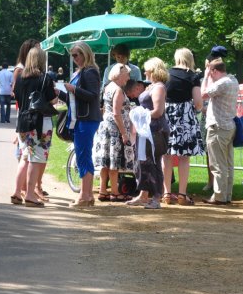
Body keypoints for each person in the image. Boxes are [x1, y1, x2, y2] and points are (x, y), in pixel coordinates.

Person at [12, 45, 57, 207]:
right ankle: (30, 194)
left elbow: (16, 97)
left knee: (25, 157)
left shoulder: (21, 78)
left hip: (23, 121)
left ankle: (17, 192)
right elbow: (52, 101)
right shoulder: (45, 79)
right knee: (36, 159)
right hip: (40, 123)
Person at [60, 41, 101, 207]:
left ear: (85, 54)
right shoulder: (81, 72)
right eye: (72, 55)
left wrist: (73, 89)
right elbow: (73, 100)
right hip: (80, 119)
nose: (74, 58)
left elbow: (93, 95)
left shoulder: (90, 71)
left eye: (77, 55)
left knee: (83, 156)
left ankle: (84, 196)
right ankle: (88, 195)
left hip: (86, 120)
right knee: (83, 156)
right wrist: (61, 93)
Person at [162, 47, 204, 206]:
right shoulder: (193, 76)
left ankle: (166, 193)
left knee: (166, 156)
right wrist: (195, 109)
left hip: (167, 116)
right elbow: (198, 102)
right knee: (184, 157)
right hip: (185, 117)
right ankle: (182, 194)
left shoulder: (166, 74)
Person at [126, 57, 169, 209]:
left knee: (154, 163)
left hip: (155, 131)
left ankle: (156, 197)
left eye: (147, 69)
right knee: (143, 162)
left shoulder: (158, 88)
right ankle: (143, 194)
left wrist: (140, 114)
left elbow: (158, 111)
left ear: (153, 71)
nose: (144, 72)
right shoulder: (151, 86)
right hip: (146, 130)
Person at [93, 63, 135, 202]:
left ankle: (103, 190)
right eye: (127, 74)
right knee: (114, 161)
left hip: (106, 126)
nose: (128, 78)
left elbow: (106, 109)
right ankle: (115, 192)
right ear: (120, 74)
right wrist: (124, 133)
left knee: (106, 161)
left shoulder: (107, 87)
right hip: (115, 129)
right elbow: (117, 113)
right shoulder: (118, 90)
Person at [200, 57, 238, 204]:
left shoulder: (222, 83)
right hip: (228, 126)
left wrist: (205, 76)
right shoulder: (232, 80)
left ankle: (219, 197)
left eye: (211, 72)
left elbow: (203, 94)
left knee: (217, 164)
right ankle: (226, 195)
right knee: (227, 164)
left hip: (218, 128)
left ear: (214, 71)